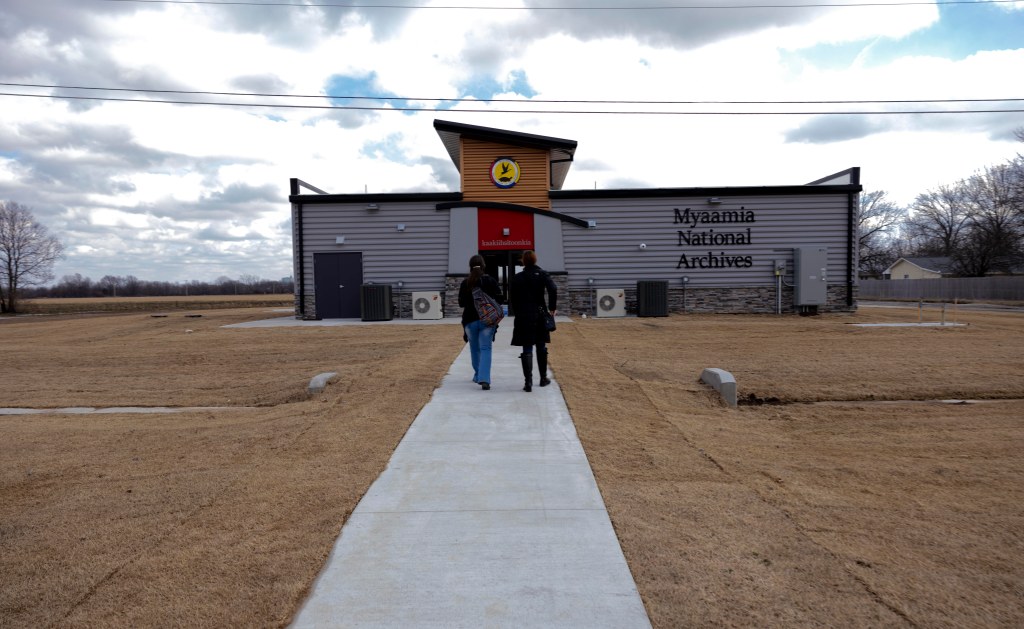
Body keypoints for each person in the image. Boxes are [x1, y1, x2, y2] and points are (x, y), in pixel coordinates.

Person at [509, 250, 557, 392]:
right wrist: (552, 308)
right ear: (535, 260)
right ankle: (543, 378)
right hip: (540, 314)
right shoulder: (542, 274)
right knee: (541, 346)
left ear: (523, 261)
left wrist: (518, 312)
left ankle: (528, 382)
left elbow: (512, 298)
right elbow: (553, 288)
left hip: (524, 315)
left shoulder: (518, 278)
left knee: (527, 347)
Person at [459, 254, 503, 390]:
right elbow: (500, 299)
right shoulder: (490, 281)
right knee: (485, 348)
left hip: (469, 321)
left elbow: (461, 303)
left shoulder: (465, 282)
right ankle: (484, 378)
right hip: (487, 321)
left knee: (474, 348)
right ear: (483, 266)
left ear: (470, 266)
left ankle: (478, 374)